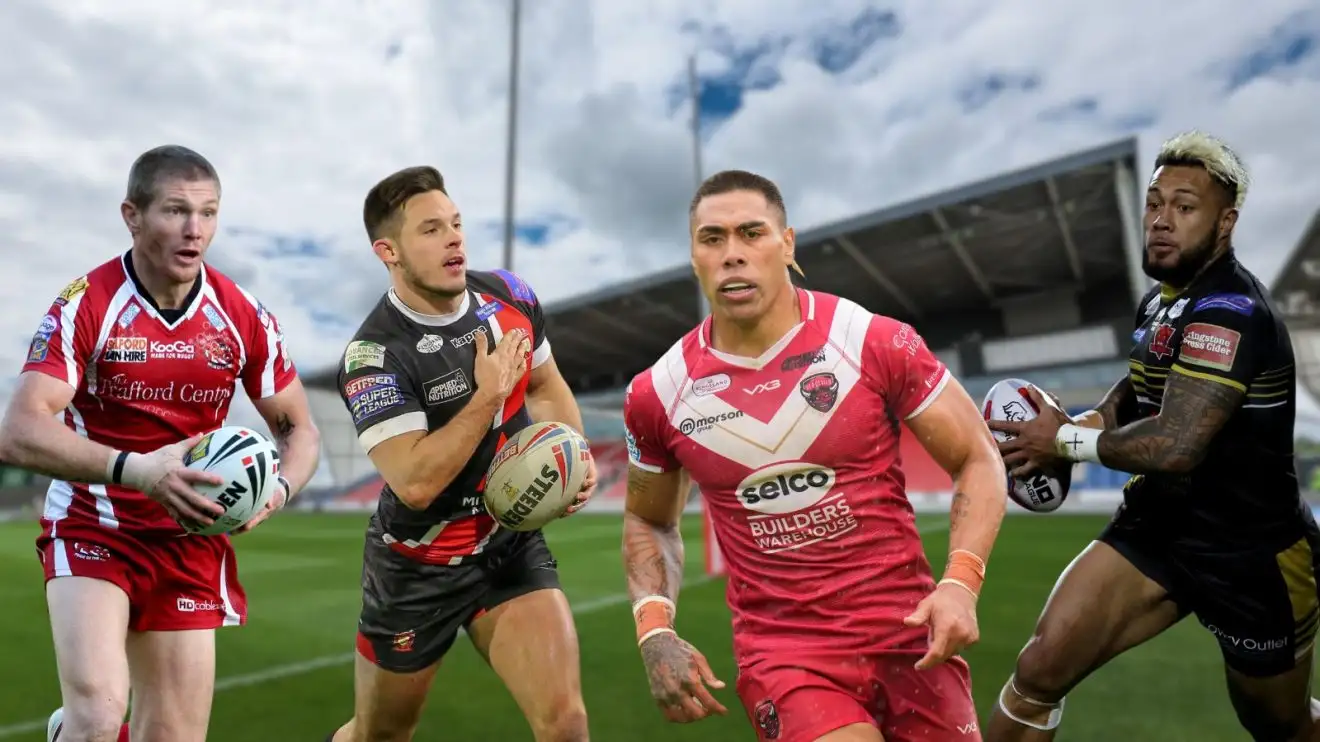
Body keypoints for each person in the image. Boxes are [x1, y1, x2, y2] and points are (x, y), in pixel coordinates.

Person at [621, 169, 1008, 742]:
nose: (733, 255)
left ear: (787, 244)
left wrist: (959, 583)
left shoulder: (872, 341)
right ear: (695, 256)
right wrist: (654, 629)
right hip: (786, 655)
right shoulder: (660, 392)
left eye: (752, 233)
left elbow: (977, 455)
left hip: (911, 635)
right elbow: (649, 518)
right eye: (712, 239)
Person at [984, 131, 1320, 742]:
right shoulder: (1160, 304)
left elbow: (1175, 443)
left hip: (1250, 554)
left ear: (1226, 223)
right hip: (1161, 525)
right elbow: (1137, 389)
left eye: (1184, 207)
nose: (1162, 221)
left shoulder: (1233, 310)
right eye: (1155, 203)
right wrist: (1083, 423)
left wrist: (1063, 443)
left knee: (1279, 723)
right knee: (1040, 667)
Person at [0, 145, 322, 742]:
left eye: (208, 212)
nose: (195, 229)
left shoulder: (241, 313)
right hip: (95, 523)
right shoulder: (86, 303)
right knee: (98, 716)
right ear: (133, 215)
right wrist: (139, 471)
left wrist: (278, 488)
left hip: (187, 539)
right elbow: (18, 429)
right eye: (176, 210)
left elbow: (299, 428)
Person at [328, 166, 599, 742]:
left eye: (455, 223)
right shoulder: (374, 355)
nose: (454, 238)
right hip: (417, 567)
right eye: (430, 229)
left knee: (567, 724)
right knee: (381, 735)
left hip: (507, 545)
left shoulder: (510, 295)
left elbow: (547, 387)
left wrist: (572, 453)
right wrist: (489, 395)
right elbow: (415, 482)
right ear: (389, 252)